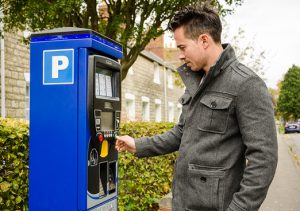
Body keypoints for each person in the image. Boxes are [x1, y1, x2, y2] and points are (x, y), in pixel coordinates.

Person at [116, 4, 278, 211]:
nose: (180, 56)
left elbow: (264, 158)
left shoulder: (246, 84)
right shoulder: (196, 82)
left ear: (204, 40)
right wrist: (138, 145)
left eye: (182, 47)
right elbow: (182, 133)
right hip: (185, 204)